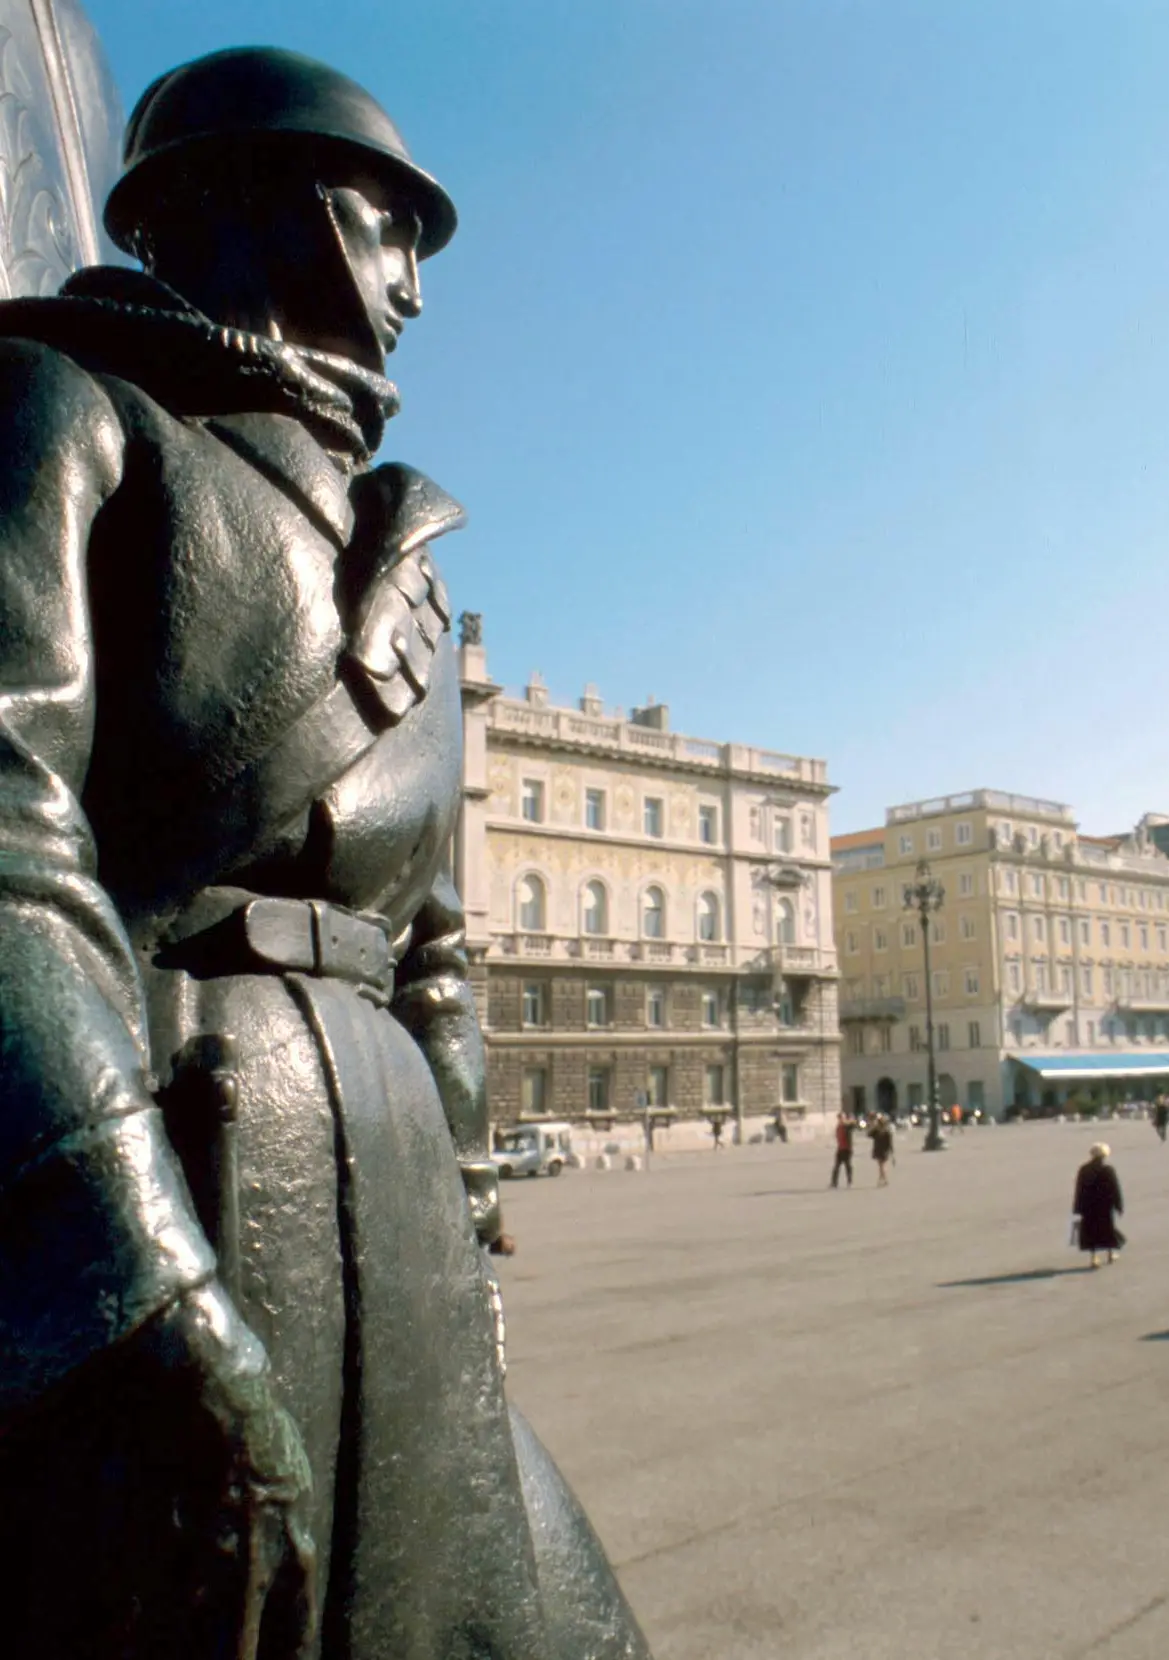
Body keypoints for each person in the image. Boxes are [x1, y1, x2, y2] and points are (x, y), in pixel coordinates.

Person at [0, 47, 647, 1658]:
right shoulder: (62, 412)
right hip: (194, 1174)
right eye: (385, 226)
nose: (416, 286)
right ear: (241, 205)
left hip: (402, 1234)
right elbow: (5, 836)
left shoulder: (403, 557)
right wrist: (134, 1291)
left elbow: (434, 947)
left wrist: (470, 1203)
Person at [1072, 1143, 1125, 1269]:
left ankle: (1094, 1258)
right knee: (1107, 1229)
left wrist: (1077, 1207)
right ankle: (1111, 1254)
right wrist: (1119, 1205)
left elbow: (1080, 1189)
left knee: (1091, 1232)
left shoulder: (1084, 1169)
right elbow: (1115, 1189)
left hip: (1089, 1206)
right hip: (1104, 1206)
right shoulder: (1108, 1170)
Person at [831, 1109, 855, 1187]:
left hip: (847, 1149)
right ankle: (834, 1183)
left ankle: (849, 1181)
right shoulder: (838, 1127)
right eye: (840, 1118)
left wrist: (850, 1120)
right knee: (836, 1166)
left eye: (842, 1118)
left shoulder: (847, 1126)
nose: (841, 1119)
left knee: (848, 1166)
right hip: (840, 1149)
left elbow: (853, 1125)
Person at [871, 1113, 895, 1186]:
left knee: (881, 1166)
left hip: (879, 1150)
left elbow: (869, 1134)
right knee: (881, 1166)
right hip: (884, 1150)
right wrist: (892, 1153)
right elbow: (890, 1144)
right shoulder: (887, 1132)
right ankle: (882, 1180)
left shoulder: (877, 1131)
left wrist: (874, 1127)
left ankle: (884, 1180)